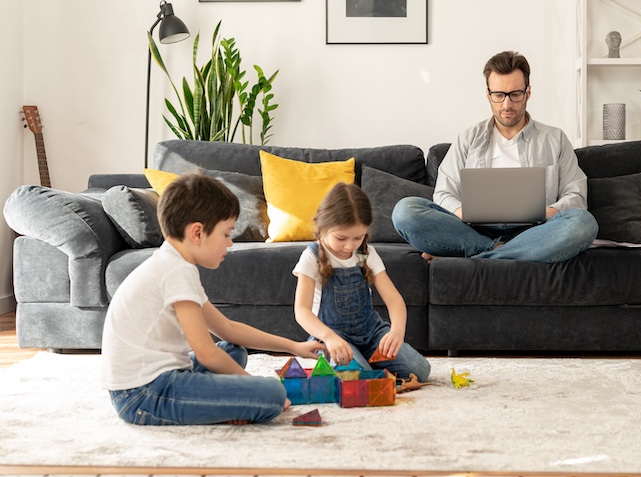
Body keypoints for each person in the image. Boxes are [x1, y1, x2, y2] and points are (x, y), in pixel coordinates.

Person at [101, 172, 325, 426]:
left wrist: (293, 346)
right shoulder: (176, 271)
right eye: (226, 234)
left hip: (150, 382)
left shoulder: (172, 263)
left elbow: (227, 329)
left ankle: (226, 404)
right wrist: (251, 387)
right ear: (197, 232)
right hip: (144, 395)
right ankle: (235, 406)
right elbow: (206, 354)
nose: (229, 244)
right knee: (271, 394)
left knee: (232, 351)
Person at [392, 50, 598, 263]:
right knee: (405, 211)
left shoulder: (555, 139)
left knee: (583, 223)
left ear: (528, 93)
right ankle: (505, 250)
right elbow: (445, 192)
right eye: (499, 95)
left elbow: (576, 195)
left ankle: (484, 254)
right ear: (488, 95)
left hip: (537, 232)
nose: (507, 105)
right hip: (473, 231)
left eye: (515, 94)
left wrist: (547, 212)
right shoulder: (468, 138)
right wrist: (464, 214)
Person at [293, 182, 430, 382]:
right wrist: (329, 337)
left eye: (358, 238)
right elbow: (302, 311)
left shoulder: (367, 254)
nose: (349, 246)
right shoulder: (311, 257)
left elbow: (394, 300)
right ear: (323, 228)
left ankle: (368, 360)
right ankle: (356, 363)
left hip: (371, 333)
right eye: (341, 238)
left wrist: (397, 331)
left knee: (420, 371)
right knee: (357, 379)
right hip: (333, 337)